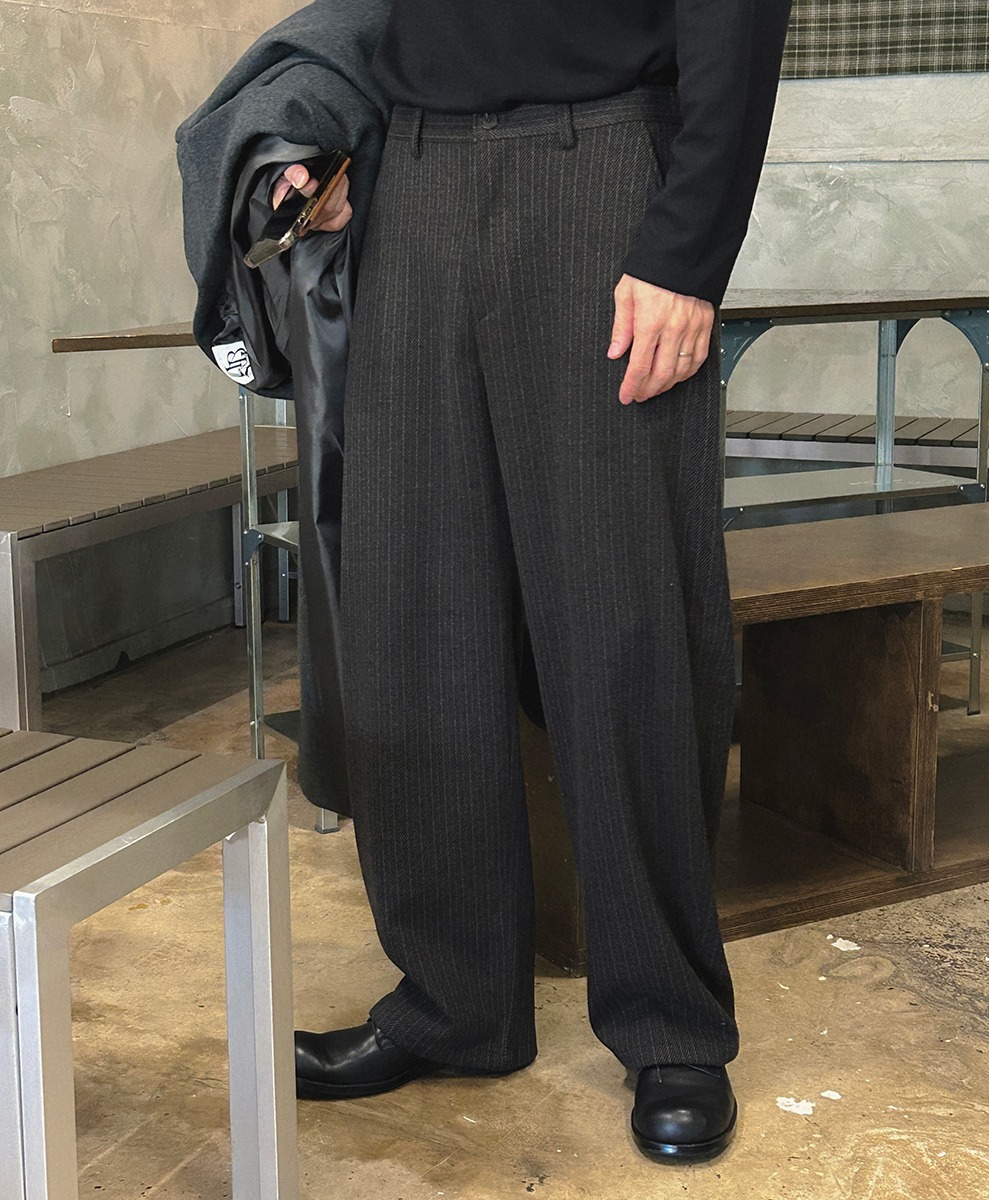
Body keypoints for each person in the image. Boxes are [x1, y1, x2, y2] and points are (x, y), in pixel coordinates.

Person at [286, 0, 792, 1164]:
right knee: (415, 609)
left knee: (623, 614)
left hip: (600, 173)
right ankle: (450, 1002)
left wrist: (687, 249)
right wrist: (324, 129)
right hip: (407, 182)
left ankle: (669, 1021)